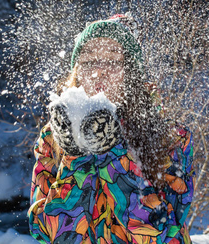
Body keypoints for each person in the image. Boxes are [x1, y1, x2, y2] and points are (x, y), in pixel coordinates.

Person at [28, 14, 195, 243]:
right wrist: (75, 157)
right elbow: (50, 236)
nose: (98, 71)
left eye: (113, 61)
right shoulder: (53, 136)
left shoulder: (172, 138)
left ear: (132, 73)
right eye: (88, 62)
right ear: (77, 73)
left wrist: (111, 153)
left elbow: (162, 237)